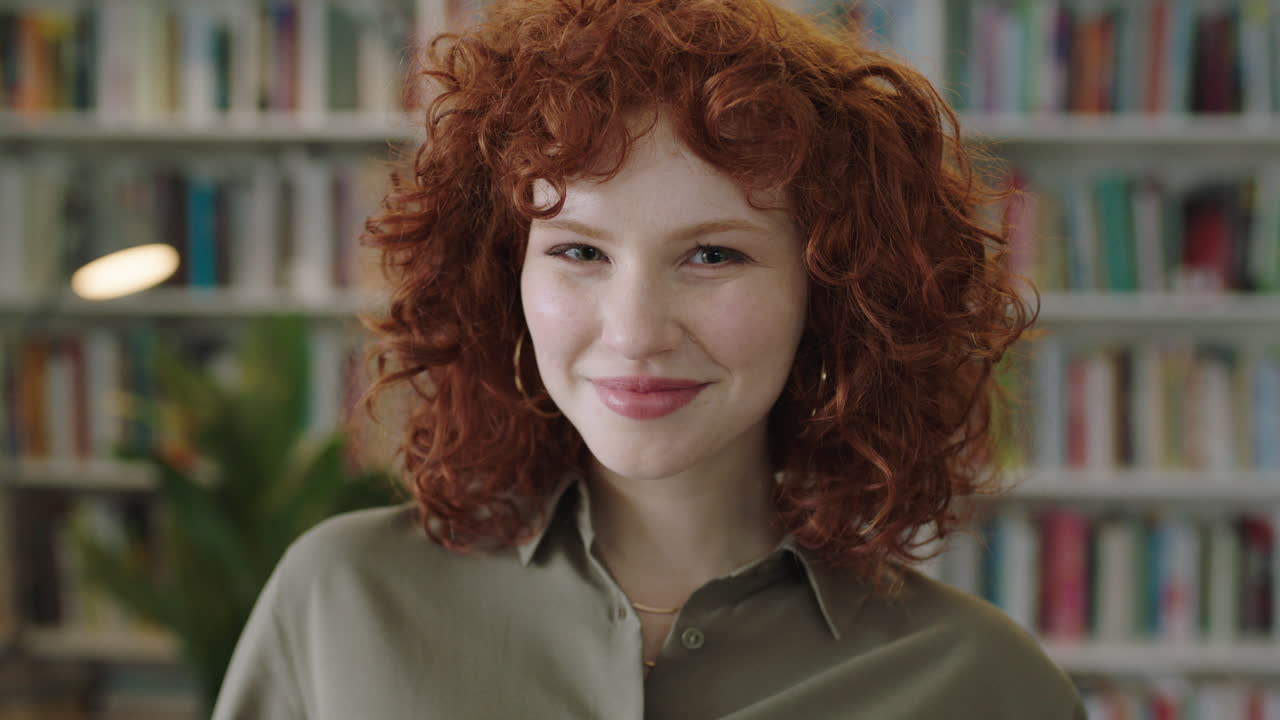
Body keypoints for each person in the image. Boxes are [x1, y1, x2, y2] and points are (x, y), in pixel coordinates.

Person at [213, 0, 1084, 718]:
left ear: (835, 294)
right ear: (499, 276)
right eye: (578, 252)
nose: (634, 331)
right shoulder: (343, 601)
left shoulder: (982, 685)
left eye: (712, 255)